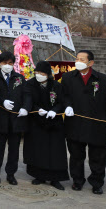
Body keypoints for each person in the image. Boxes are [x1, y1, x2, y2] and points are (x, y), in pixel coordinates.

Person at [61, 50, 106, 195]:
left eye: (82, 59)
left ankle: (97, 183)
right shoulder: (68, 77)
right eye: (77, 58)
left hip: (97, 125)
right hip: (75, 123)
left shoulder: (103, 79)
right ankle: (77, 181)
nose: (78, 61)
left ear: (91, 63)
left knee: (97, 157)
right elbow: (63, 95)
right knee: (76, 155)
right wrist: (67, 106)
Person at [23, 61, 69, 190]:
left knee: (55, 151)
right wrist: (38, 110)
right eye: (37, 72)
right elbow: (28, 100)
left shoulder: (56, 86)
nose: (39, 75)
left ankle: (56, 178)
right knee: (38, 150)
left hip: (55, 122)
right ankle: (39, 175)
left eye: (42, 73)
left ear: (48, 74)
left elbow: (62, 100)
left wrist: (55, 110)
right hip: (37, 122)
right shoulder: (30, 84)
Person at [0, 51, 28, 186]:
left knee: (14, 150)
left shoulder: (19, 78)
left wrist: (25, 108)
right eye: (5, 63)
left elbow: (26, 95)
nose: (7, 65)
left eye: (10, 63)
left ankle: (11, 174)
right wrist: (2, 101)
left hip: (15, 120)